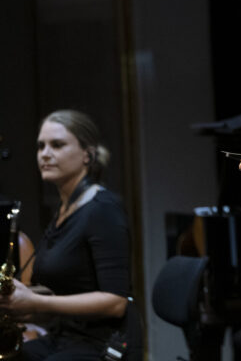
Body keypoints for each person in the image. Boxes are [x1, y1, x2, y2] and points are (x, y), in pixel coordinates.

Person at [0, 110, 139, 360]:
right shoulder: (64, 210)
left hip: (102, 343)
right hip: (63, 336)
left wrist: (36, 303)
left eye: (57, 145)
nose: (45, 154)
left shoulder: (103, 209)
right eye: (41, 146)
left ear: (87, 154)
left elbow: (116, 302)